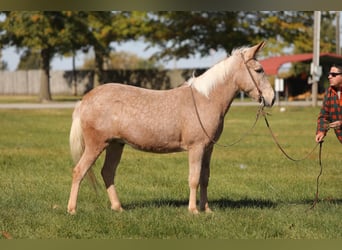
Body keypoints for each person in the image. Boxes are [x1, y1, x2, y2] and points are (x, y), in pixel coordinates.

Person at [315, 64, 342, 143]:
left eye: (333, 75)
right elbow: (324, 115)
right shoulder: (329, 92)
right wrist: (321, 131)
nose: (329, 77)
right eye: (329, 74)